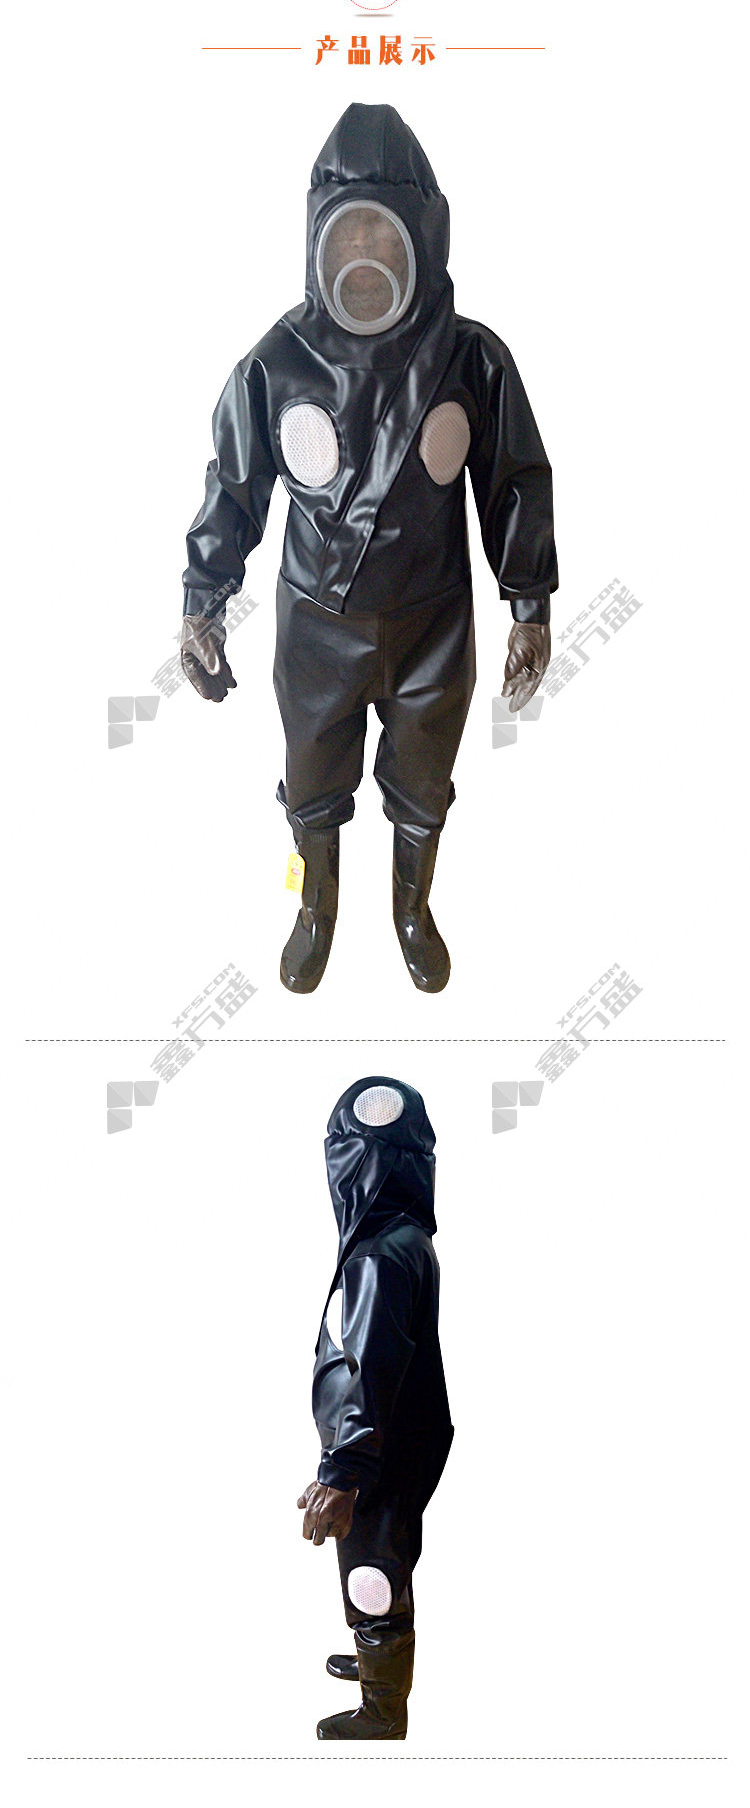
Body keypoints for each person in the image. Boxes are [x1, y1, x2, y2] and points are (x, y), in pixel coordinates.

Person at [182, 104, 558, 993]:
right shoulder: (277, 364)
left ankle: (411, 907)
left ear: (423, 237)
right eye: (347, 230)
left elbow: (513, 479)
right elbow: (234, 485)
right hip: (318, 625)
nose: (364, 252)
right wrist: (203, 601)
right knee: (311, 777)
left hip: (435, 623)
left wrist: (529, 603)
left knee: (425, 779)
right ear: (316, 237)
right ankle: (315, 907)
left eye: (381, 232)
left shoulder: (473, 360)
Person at [298, 1078, 452, 1741]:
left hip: (378, 1447)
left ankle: (382, 1711)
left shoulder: (376, 1258)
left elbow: (367, 1366)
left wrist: (344, 1471)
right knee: (389, 1548)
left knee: (370, 1568)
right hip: (406, 1433)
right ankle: (375, 1660)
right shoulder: (406, 1239)